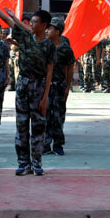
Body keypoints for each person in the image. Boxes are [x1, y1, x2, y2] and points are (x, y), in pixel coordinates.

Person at [0, 0, 55, 176]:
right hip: (23, 84)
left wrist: (45, 97)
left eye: (36, 22)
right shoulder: (25, 37)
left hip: (39, 85)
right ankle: (23, 163)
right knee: (21, 124)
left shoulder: (48, 45)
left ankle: (37, 162)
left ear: (44, 25)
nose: (31, 24)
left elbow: (49, 71)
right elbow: (5, 19)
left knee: (38, 126)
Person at [44, 17, 75, 156]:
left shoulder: (65, 49)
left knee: (58, 116)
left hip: (58, 86)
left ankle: (57, 144)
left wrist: (67, 87)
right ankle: (45, 144)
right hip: (44, 86)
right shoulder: (43, 46)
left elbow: (70, 68)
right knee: (44, 115)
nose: (47, 31)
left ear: (57, 31)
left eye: (50, 28)